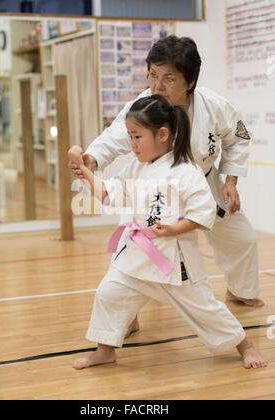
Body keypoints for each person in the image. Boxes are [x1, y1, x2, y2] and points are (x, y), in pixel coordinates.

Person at [68, 94, 266, 370]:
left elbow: (204, 211)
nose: (132, 144)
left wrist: (175, 229)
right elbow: (109, 194)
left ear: (162, 134)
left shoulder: (186, 170)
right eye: (130, 137)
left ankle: (246, 345)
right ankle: (105, 350)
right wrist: (85, 173)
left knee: (206, 310)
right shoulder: (136, 167)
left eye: (137, 137)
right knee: (108, 294)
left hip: (174, 262)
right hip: (135, 254)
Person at [69, 36, 264, 314]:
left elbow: (238, 139)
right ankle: (124, 315)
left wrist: (230, 180)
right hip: (155, 190)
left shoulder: (214, 106)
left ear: (191, 80)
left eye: (168, 78)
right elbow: (113, 138)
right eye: (152, 75)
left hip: (205, 184)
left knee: (243, 238)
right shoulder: (144, 106)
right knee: (136, 252)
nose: (157, 86)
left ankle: (240, 290)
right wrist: (91, 159)